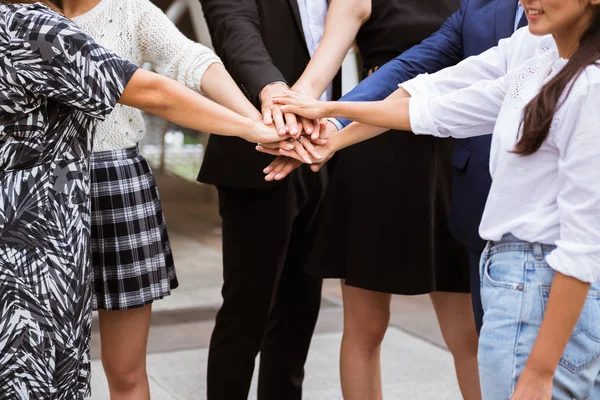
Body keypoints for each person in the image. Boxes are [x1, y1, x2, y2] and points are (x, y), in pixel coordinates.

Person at [263, 0, 600, 397]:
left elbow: (583, 245)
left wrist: (540, 371)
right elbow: (437, 100)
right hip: (519, 281)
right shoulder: (537, 53)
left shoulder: (587, 85)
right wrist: (329, 118)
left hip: (536, 282)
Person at [0, 1, 285, 398]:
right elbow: (153, 92)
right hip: (46, 196)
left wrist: (257, 124)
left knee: (124, 369)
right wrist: (254, 129)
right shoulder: (27, 17)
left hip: (114, 185)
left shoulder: (128, 8)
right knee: (45, 358)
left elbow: (190, 60)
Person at [264, 0, 530, 335]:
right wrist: (327, 125)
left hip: (464, 168)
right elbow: (415, 79)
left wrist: (327, 118)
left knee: (475, 338)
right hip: (386, 147)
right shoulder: (484, 17)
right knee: (374, 326)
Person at [259, 0, 482, 398]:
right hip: (376, 150)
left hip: (455, 143)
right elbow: (320, 71)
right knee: (366, 326)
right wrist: (294, 115)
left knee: (468, 330)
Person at [196, 0, 337, 398]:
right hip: (258, 154)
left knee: (300, 311)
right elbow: (234, 27)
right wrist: (272, 90)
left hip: (323, 150)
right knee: (246, 315)